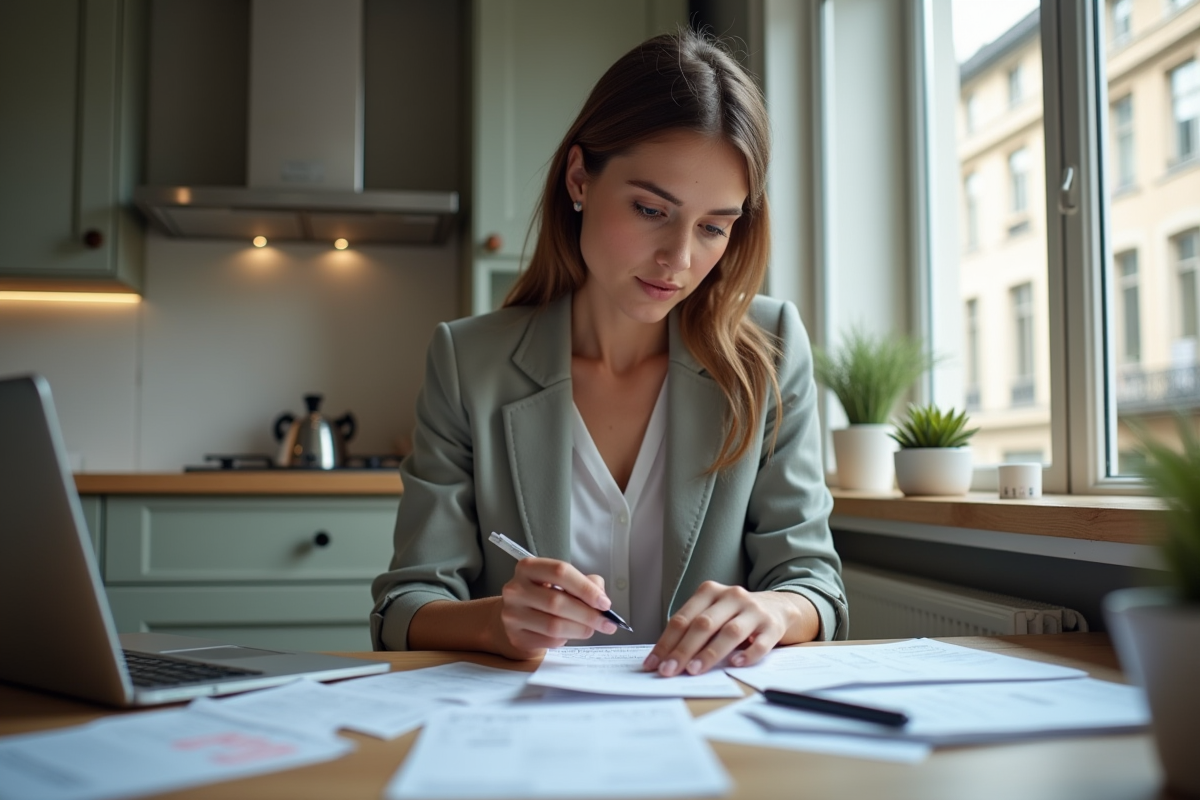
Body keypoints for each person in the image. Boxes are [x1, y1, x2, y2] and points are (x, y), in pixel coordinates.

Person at [371, 29, 846, 677]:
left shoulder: (770, 351)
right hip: (519, 732)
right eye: (652, 209)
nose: (679, 260)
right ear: (579, 179)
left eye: (713, 227)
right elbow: (404, 605)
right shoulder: (467, 361)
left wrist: (774, 612)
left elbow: (813, 582)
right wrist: (497, 620)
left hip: (712, 731)